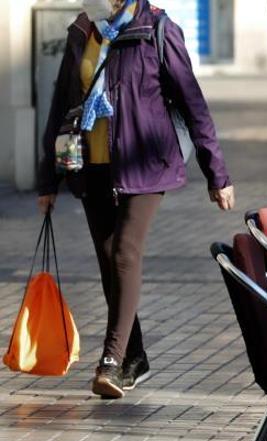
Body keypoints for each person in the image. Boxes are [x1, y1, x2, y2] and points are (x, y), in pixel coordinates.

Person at [36, 0, 234, 399]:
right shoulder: (82, 31)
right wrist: (48, 179)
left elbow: (193, 104)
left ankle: (111, 359)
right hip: (91, 163)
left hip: (145, 162)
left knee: (126, 253)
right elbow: (62, 104)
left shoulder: (156, 29)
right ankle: (135, 356)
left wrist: (217, 174)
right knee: (109, 261)